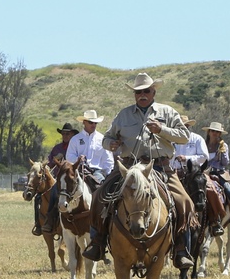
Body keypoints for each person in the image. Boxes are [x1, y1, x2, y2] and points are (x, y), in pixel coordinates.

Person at [82, 73, 195, 269]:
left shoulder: (167, 112)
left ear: (153, 92)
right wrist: (112, 144)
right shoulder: (123, 115)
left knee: (184, 202)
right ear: (134, 94)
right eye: (138, 92)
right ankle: (98, 241)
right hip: (128, 168)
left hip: (160, 166)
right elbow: (106, 139)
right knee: (100, 195)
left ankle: (180, 250)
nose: (142, 94)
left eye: (146, 91)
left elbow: (184, 136)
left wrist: (162, 129)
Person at [33, 122, 78, 235]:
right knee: (40, 197)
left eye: (67, 134)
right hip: (59, 180)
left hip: (72, 179)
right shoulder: (56, 148)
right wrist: (52, 161)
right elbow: (49, 164)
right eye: (63, 134)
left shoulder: (76, 146)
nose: (65, 136)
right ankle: (42, 222)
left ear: (72, 134)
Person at [202, 122, 230, 235]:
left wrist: (223, 153)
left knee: (229, 190)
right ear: (209, 132)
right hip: (204, 173)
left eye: (217, 132)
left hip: (219, 174)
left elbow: (226, 163)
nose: (215, 133)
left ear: (220, 134)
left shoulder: (223, 146)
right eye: (213, 131)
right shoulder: (203, 144)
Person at [65, 110, 114, 184]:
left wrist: (106, 174)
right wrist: (78, 160)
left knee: (101, 187)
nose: (93, 125)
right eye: (91, 122)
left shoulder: (102, 139)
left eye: (95, 123)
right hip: (79, 170)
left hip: (97, 172)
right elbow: (69, 156)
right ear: (84, 122)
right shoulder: (75, 139)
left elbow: (108, 160)